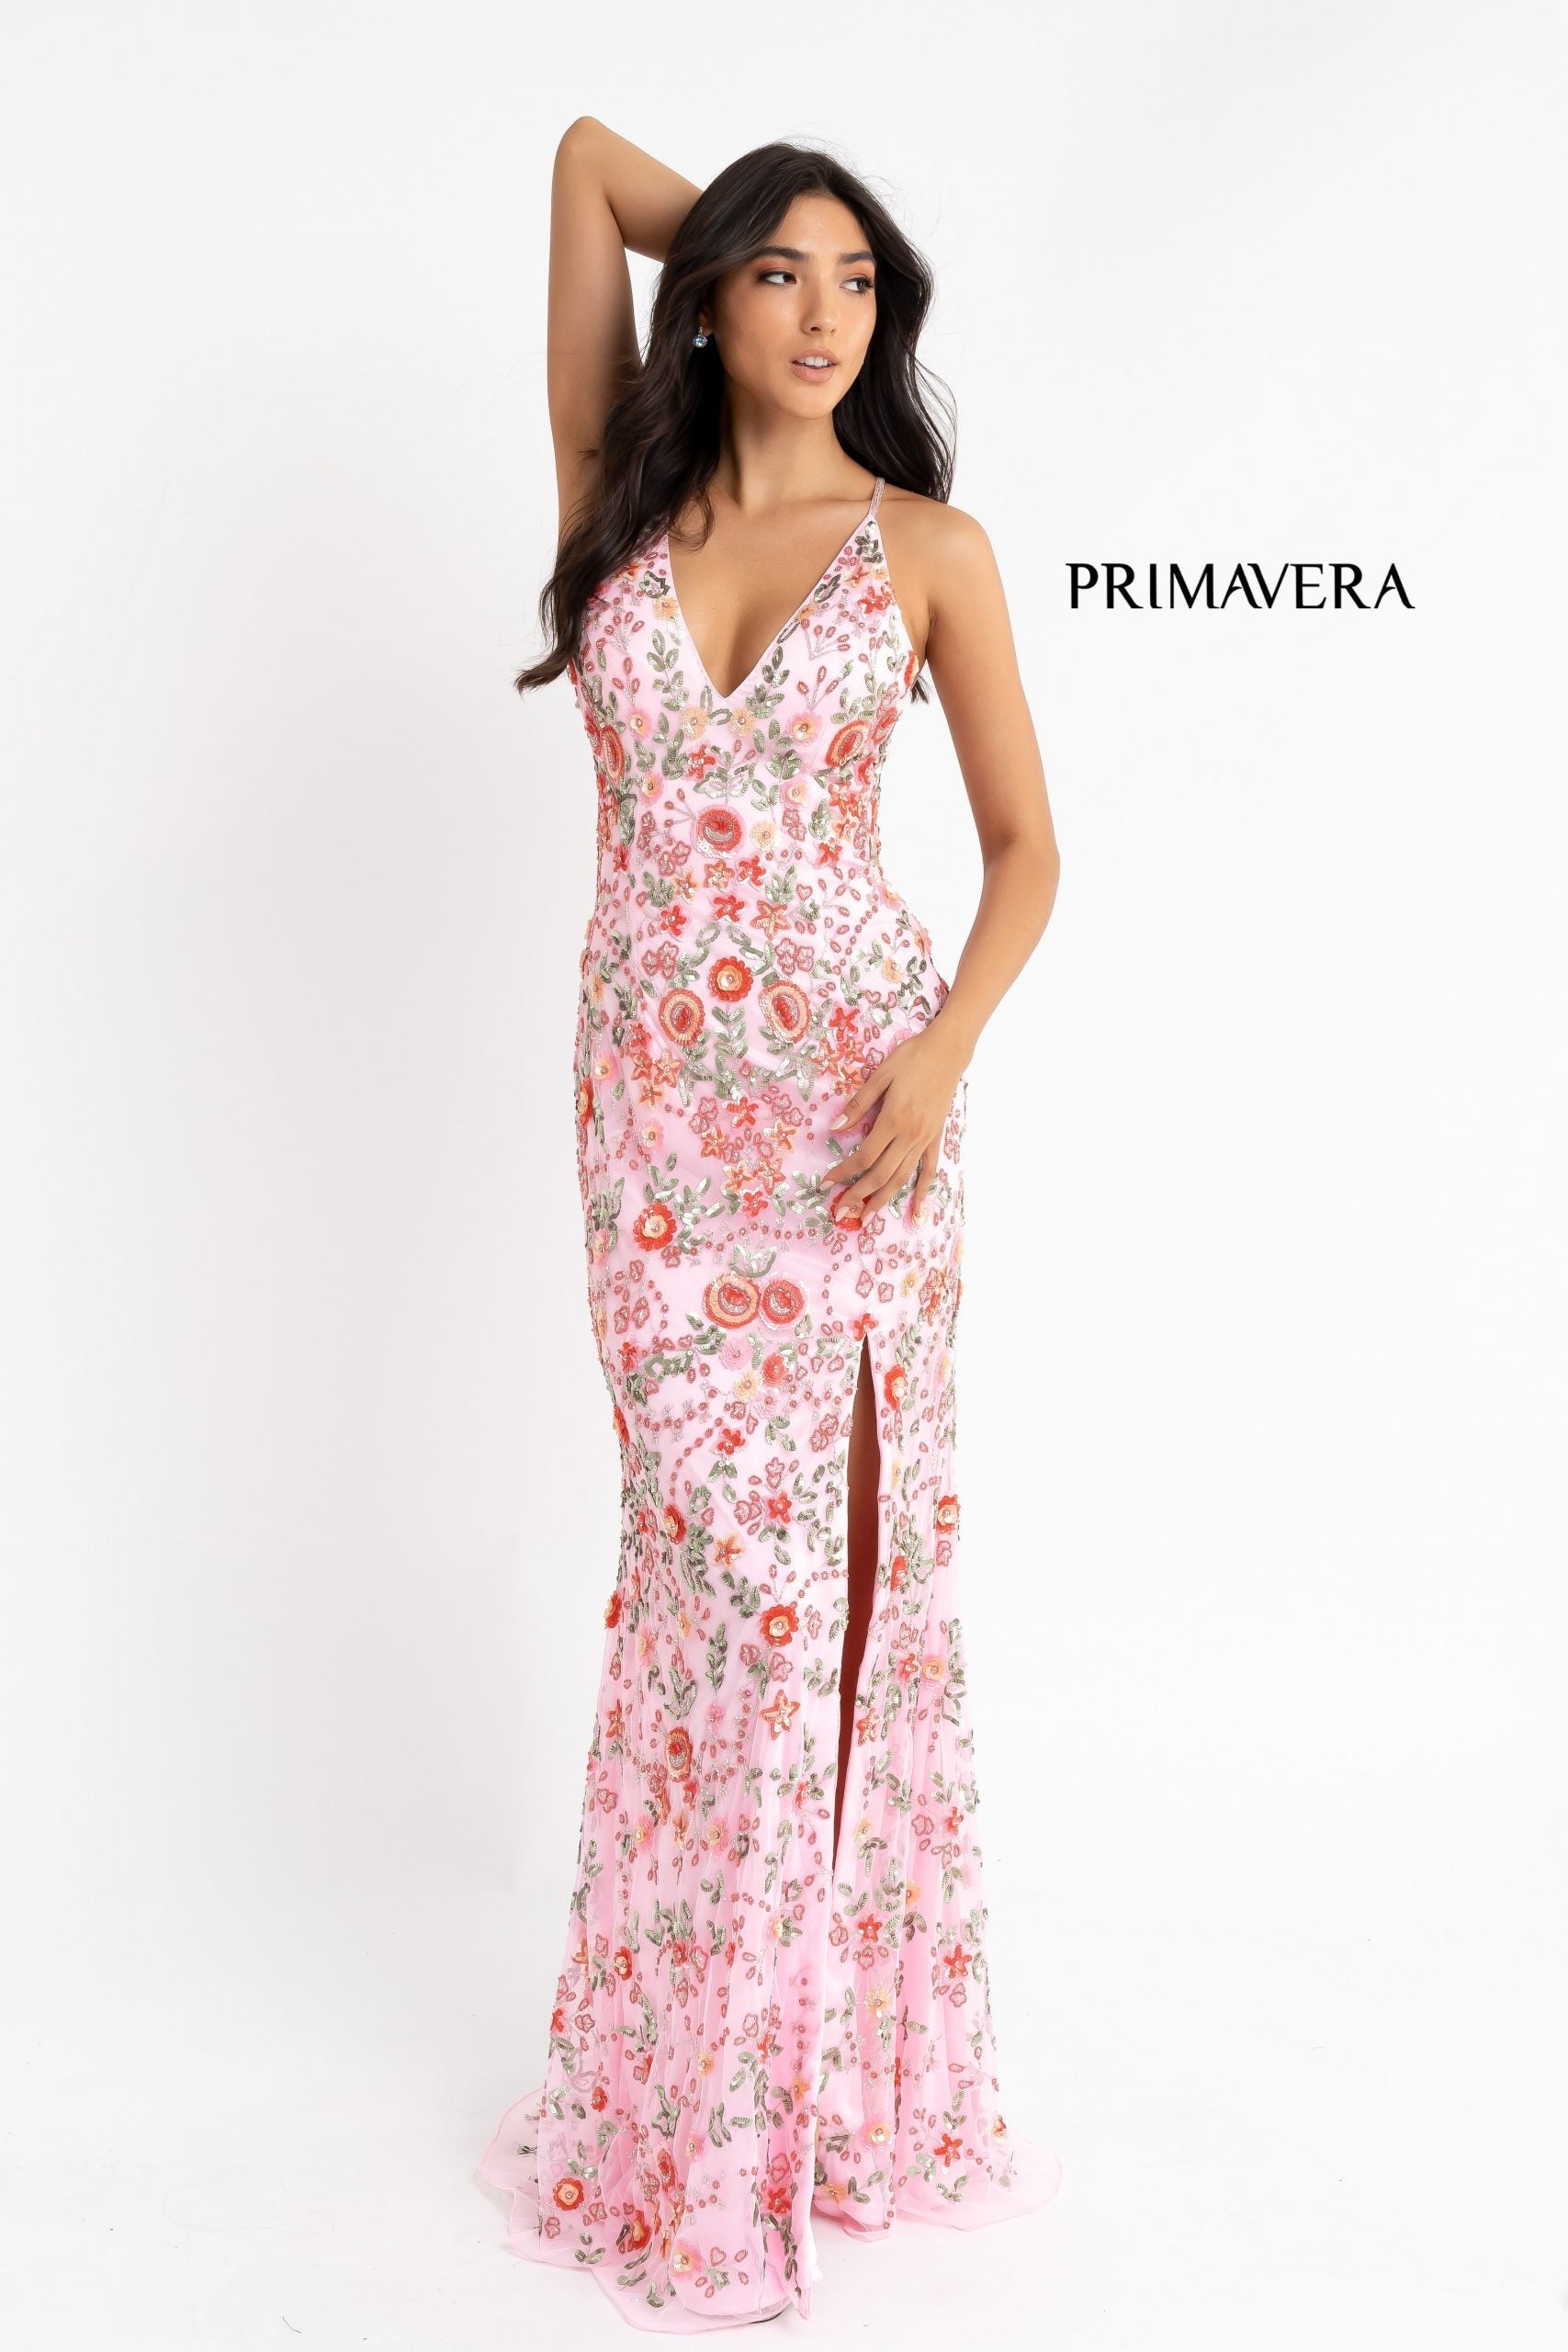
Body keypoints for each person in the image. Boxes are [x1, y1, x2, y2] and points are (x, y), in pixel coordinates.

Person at [479, 117, 1063, 2332]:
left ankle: (797, 2105)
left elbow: (1024, 849)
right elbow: (579, 164)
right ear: (707, 299)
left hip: (853, 1128)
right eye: (780, 274)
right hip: (652, 1146)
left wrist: (937, 1057)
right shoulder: (612, 514)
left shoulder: (926, 544)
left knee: (828, 1605)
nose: (826, 314)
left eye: (857, 282)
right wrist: (724, 219)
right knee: (708, 1589)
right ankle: (674, 2092)